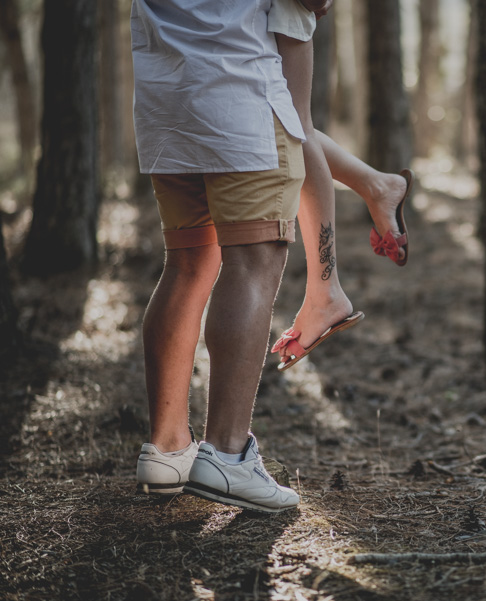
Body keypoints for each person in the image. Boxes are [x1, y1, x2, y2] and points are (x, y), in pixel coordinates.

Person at [132, 0, 305, 513]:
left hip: (167, 95)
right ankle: (227, 454)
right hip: (241, 91)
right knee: (253, 263)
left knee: (187, 265)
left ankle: (166, 450)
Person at [267, 0, 414, 371]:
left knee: (293, 128)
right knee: (289, 127)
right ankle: (377, 186)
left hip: (280, 8)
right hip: (248, 16)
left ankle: (325, 292)